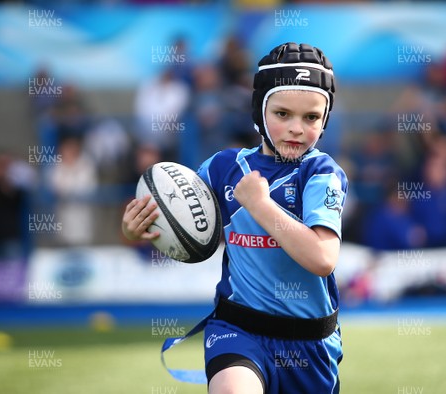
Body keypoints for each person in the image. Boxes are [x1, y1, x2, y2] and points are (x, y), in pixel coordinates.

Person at [122, 42, 347, 394]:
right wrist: (137, 227)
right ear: (259, 111)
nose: (297, 128)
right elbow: (180, 227)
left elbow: (322, 258)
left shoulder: (321, 173)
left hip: (310, 343)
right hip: (237, 328)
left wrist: (260, 205)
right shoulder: (224, 167)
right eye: (282, 113)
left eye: (312, 117)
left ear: (325, 118)